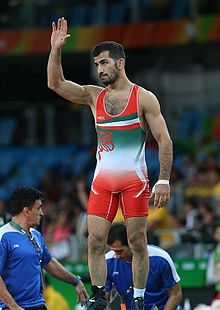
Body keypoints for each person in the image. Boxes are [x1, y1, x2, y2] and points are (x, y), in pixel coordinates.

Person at [47, 17, 173, 310]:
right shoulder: (94, 97)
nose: (100, 70)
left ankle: (139, 298)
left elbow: (164, 140)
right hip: (102, 182)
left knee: (138, 242)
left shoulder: (144, 98)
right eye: (97, 65)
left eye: (104, 63)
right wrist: (55, 51)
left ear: (121, 63)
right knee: (95, 241)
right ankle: (100, 296)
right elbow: (55, 83)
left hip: (134, 182)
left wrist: (164, 179)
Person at [0, 186, 89, 310]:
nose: (42, 213)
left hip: (38, 305)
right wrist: (12, 305)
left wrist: (75, 281)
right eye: (39, 208)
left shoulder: (36, 235)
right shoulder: (3, 236)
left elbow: (49, 262)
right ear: (26, 211)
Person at [106, 223, 182, 310]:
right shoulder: (107, 262)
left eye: (120, 251)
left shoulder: (161, 258)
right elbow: (104, 300)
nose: (117, 256)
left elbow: (175, 293)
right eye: (114, 251)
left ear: (132, 244)